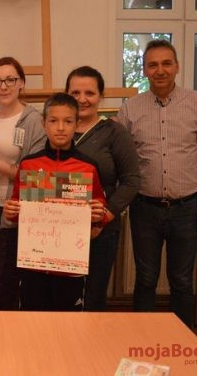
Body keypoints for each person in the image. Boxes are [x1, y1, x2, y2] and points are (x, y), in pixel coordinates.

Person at [117, 39, 197, 327]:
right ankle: (142, 340)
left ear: (177, 66)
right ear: (144, 70)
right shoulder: (130, 108)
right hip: (144, 208)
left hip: (187, 209)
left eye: (166, 63)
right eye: (153, 65)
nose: (160, 70)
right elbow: (119, 157)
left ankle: (182, 342)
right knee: (146, 278)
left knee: (182, 280)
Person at [3, 93, 107, 311]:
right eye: (53, 121)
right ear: (44, 124)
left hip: (70, 266)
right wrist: (11, 211)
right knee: (33, 320)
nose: (60, 128)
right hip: (34, 265)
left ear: (76, 124)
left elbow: (99, 211)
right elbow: (16, 210)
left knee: (68, 321)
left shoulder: (87, 167)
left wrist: (99, 215)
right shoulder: (29, 164)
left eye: (67, 121)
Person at [64, 66, 140, 311]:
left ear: (101, 96)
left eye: (89, 93)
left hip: (100, 230)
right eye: (75, 92)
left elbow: (131, 181)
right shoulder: (58, 130)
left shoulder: (114, 132)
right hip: (59, 229)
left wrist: (103, 219)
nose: (82, 99)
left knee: (93, 298)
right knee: (62, 298)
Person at [0, 56, 46, 311]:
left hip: (12, 209)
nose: (3, 86)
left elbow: (38, 176)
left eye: (10, 80)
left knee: (6, 279)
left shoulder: (33, 120)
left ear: (21, 83)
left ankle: (8, 330)